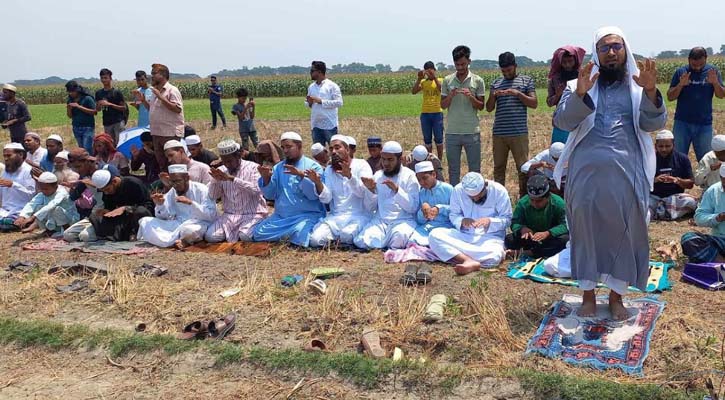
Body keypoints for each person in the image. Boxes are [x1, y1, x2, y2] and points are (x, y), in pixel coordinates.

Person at [552, 26, 667, 320]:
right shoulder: (577, 85)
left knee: (626, 232)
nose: (611, 53)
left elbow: (653, 126)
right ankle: (588, 296)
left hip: (627, 171)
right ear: (597, 54)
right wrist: (580, 93)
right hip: (585, 172)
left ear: (625, 50)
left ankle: (616, 297)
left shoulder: (639, 86)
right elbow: (563, 122)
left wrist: (652, 91)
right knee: (585, 231)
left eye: (616, 47)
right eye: (604, 49)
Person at [428, 172, 512, 274]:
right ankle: (467, 260)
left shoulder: (498, 191)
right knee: (434, 235)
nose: (475, 199)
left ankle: (457, 256)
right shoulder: (458, 190)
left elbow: (507, 219)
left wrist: (490, 221)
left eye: (479, 196)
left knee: (494, 256)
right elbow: (453, 214)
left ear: (485, 185)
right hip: (465, 235)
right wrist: (462, 221)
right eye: (471, 197)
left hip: (489, 238)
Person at [253, 131, 326, 246]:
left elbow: (314, 196)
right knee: (258, 233)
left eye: (289, 147)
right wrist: (266, 178)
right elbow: (270, 195)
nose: (285, 151)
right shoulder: (278, 168)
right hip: (281, 217)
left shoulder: (313, 167)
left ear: (299, 146)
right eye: (283, 147)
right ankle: (291, 236)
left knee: (301, 231)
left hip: (305, 216)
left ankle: (291, 236)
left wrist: (301, 176)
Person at [486, 52, 538, 197]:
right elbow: (489, 108)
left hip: (519, 132)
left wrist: (517, 94)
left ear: (515, 66)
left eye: (509, 70)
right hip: (499, 133)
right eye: (503, 71)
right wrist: (493, 95)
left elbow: (534, 103)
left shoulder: (526, 81)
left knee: (523, 168)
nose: (507, 73)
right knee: (498, 168)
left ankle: (523, 198)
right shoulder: (496, 83)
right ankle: (499, 196)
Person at [308, 135, 373, 247]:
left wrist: (350, 176)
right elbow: (327, 198)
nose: (333, 152)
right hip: (335, 217)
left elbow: (362, 193)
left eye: (337, 148)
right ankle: (338, 241)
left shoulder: (361, 165)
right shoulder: (329, 170)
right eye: (331, 149)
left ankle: (340, 240)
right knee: (315, 240)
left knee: (347, 235)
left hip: (358, 215)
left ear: (347, 150)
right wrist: (318, 183)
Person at [354, 141, 420, 249]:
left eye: (390, 160)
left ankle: (384, 243)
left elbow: (412, 208)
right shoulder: (378, 175)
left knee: (399, 237)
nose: (386, 163)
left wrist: (397, 190)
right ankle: (384, 242)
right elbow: (370, 207)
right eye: (383, 159)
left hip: (402, 220)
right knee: (363, 240)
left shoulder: (409, 176)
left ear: (399, 159)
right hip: (380, 221)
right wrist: (370, 190)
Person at [138, 164, 217, 249]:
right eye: (172, 182)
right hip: (177, 224)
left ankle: (182, 240)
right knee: (145, 221)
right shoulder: (173, 191)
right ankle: (178, 241)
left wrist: (191, 203)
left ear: (187, 178)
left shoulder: (201, 189)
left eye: (178, 181)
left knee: (189, 231)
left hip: (198, 223)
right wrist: (160, 205)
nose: (175, 185)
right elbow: (164, 217)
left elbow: (211, 215)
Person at [667, 47, 725, 160]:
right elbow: (670, 97)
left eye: (701, 65)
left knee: (706, 160)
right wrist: (680, 85)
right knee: (677, 158)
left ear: (706, 59)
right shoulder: (681, 72)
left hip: (704, 124)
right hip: (682, 123)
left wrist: (715, 83)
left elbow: (721, 95)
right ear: (689, 60)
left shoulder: (713, 71)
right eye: (694, 65)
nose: (697, 68)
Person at [205, 140, 268, 243]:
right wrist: (216, 181)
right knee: (211, 237)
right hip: (229, 215)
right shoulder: (221, 170)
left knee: (245, 237)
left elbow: (257, 190)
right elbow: (213, 196)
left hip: (252, 214)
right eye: (224, 161)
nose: (227, 165)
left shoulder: (253, 167)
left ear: (238, 156)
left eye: (229, 161)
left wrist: (232, 179)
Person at [64, 169, 154, 242]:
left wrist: (126, 208)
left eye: (107, 189)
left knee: (85, 236)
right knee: (68, 235)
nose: (106, 192)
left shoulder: (133, 184)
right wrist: (105, 211)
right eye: (104, 191)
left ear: (114, 181)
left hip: (129, 222)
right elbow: (109, 208)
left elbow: (147, 208)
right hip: (114, 220)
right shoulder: (106, 191)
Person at [441, 45, 486, 185]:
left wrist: (471, 97)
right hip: (452, 132)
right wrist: (450, 95)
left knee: (474, 170)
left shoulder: (477, 80)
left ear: (469, 61)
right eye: (457, 64)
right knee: (453, 170)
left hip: (471, 131)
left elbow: (481, 106)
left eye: (463, 64)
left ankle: (475, 197)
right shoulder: (447, 80)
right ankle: (455, 199)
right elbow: (443, 105)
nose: (460, 67)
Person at [504, 175, 568, 258]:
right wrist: (522, 229)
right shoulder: (523, 203)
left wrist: (548, 233)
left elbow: (566, 224)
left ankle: (529, 253)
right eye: (532, 200)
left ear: (548, 196)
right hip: (531, 237)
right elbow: (515, 222)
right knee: (510, 239)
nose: (535, 204)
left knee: (564, 240)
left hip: (550, 238)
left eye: (539, 201)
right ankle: (537, 251)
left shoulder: (558, 203)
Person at [681, 164, 725, 263]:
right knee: (689, 239)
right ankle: (722, 265)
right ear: (721, 178)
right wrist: (717, 218)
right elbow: (699, 217)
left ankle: (712, 261)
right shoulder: (713, 191)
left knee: (697, 257)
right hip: (720, 240)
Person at [649, 130, 696, 220]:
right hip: (654, 197)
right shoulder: (649, 159)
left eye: (667, 146)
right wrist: (654, 180)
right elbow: (641, 182)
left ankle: (660, 212)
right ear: (655, 146)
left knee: (691, 202)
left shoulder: (682, 158)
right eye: (661, 146)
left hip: (675, 198)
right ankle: (666, 213)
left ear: (673, 145)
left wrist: (677, 180)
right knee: (639, 204)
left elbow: (690, 184)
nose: (664, 149)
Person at [15, 172, 79, 234]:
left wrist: (32, 217)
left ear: (56, 187)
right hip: (55, 221)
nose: (43, 191)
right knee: (38, 207)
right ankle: (50, 230)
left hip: (70, 219)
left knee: (55, 209)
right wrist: (22, 217)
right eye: (41, 189)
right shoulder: (43, 193)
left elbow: (51, 205)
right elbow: (32, 204)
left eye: (46, 189)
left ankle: (66, 230)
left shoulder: (62, 192)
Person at [408, 161, 454, 246]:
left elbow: (456, 211)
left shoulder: (448, 189)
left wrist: (439, 209)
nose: (422, 182)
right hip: (429, 226)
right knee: (412, 240)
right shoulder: (422, 193)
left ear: (434, 174)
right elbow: (420, 220)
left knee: (439, 240)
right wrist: (423, 212)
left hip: (447, 226)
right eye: (419, 180)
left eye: (425, 178)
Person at [149, 63, 184, 172]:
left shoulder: (171, 90)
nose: (152, 76)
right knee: (162, 164)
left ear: (163, 75)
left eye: (154, 73)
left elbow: (177, 109)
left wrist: (160, 97)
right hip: (157, 132)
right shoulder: (155, 91)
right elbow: (154, 109)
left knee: (173, 164)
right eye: (151, 73)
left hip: (169, 132)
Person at [66, 148, 119, 221]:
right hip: (98, 212)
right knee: (70, 232)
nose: (77, 170)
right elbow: (74, 196)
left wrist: (95, 185)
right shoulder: (85, 175)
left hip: (115, 212)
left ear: (88, 162)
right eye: (74, 168)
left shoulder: (108, 170)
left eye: (79, 166)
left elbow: (120, 192)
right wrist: (71, 187)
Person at [547, 46, 586, 144]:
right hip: (562, 121)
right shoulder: (555, 79)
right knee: (559, 152)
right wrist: (558, 95)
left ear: (575, 61)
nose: (567, 65)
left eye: (570, 61)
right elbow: (549, 102)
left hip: (581, 121)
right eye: (564, 62)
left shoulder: (583, 76)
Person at [412, 61, 444, 159]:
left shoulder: (440, 80)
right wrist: (419, 78)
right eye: (427, 71)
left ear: (435, 70)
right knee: (427, 139)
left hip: (437, 112)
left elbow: (441, 90)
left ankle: (439, 159)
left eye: (431, 70)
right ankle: (429, 158)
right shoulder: (423, 82)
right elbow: (413, 91)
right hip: (425, 113)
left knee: (438, 138)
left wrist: (434, 77)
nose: (429, 73)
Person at [306, 61, 343, 146]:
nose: (310, 73)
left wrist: (321, 101)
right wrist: (309, 103)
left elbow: (339, 102)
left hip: (329, 125)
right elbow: (308, 103)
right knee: (318, 153)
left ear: (319, 72)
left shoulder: (332, 86)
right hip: (315, 125)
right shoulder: (311, 87)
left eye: (312, 70)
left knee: (334, 150)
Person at [0, 143, 35, 232]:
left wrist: (14, 185)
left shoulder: (28, 171)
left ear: (20, 155)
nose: (6, 159)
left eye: (9, 155)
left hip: (21, 210)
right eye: (4, 156)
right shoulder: (5, 171)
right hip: (5, 210)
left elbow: (32, 195)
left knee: (13, 222)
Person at [95, 68, 127, 145]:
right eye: (102, 78)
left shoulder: (116, 92)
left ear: (110, 78)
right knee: (110, 144)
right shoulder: (99, 93)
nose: (104, 80)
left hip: (118, 121)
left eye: (106, 78)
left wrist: (110, 104)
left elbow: (123, 108)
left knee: (120, 143)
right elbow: (98, 109)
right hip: (107, 122)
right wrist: (98, 105)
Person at [65, 81, 97, 154]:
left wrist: (78, 106)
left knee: (88, 148)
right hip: (76, 127)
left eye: (73, 91)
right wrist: (69, 108)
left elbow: (94, 112)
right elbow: (70, 116)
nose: (71, 93)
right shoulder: (70, 100)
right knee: (81, 149)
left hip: (88, 127)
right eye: (69, 92)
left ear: (77, 90)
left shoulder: (87, 99)